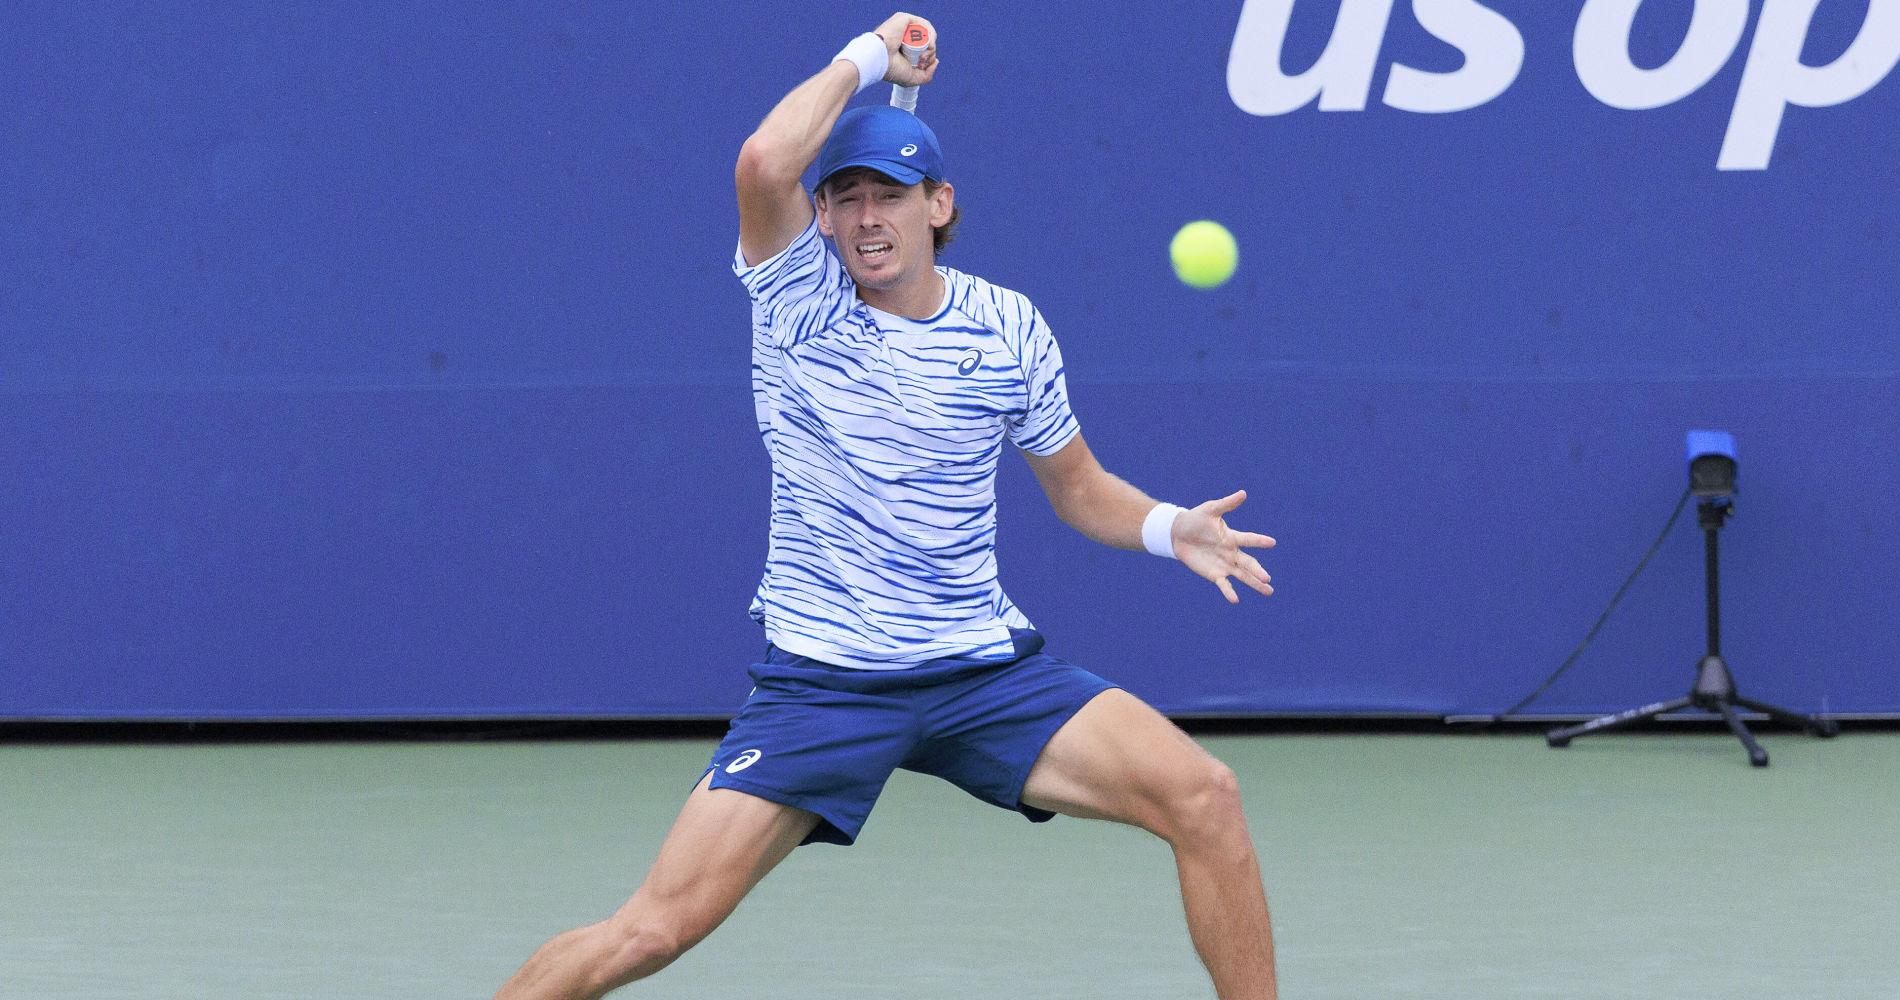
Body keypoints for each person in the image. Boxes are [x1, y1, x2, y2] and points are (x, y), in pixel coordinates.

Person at [494, 12, 1279, 999]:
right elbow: (762, 159)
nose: (867, 218)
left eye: (890, 196)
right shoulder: (795, 301)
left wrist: (1172, 527)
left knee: (1205, 794)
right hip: (826, 683)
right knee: (653, 930)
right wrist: (871, 55)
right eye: (846, 198)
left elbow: (1077, 487)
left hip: (979, 672)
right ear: (820, 216)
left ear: (937, 203)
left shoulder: (1006, 326)